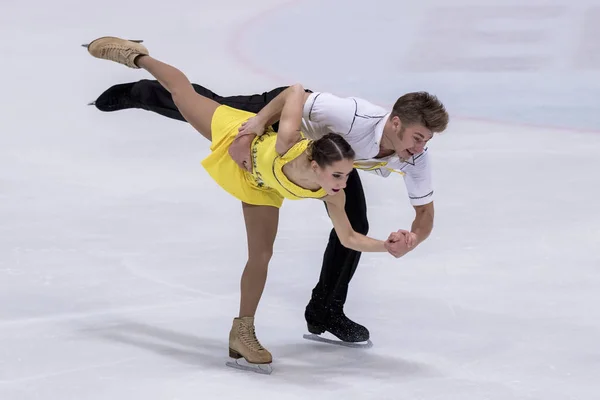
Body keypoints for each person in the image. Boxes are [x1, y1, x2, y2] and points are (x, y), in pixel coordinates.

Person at [84, 36, 413, 374]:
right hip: (237, 139)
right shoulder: (288, 143)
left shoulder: (334, 192)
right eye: (339, 175)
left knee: (261, 255)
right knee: (183, 93)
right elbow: (295, 90)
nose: (345, 184)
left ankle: (242, 332)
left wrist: (385, 247)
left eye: (347, 176)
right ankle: (136, 56)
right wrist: (255, 124)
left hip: (259, 188)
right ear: (315, 165)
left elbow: (348, 237)